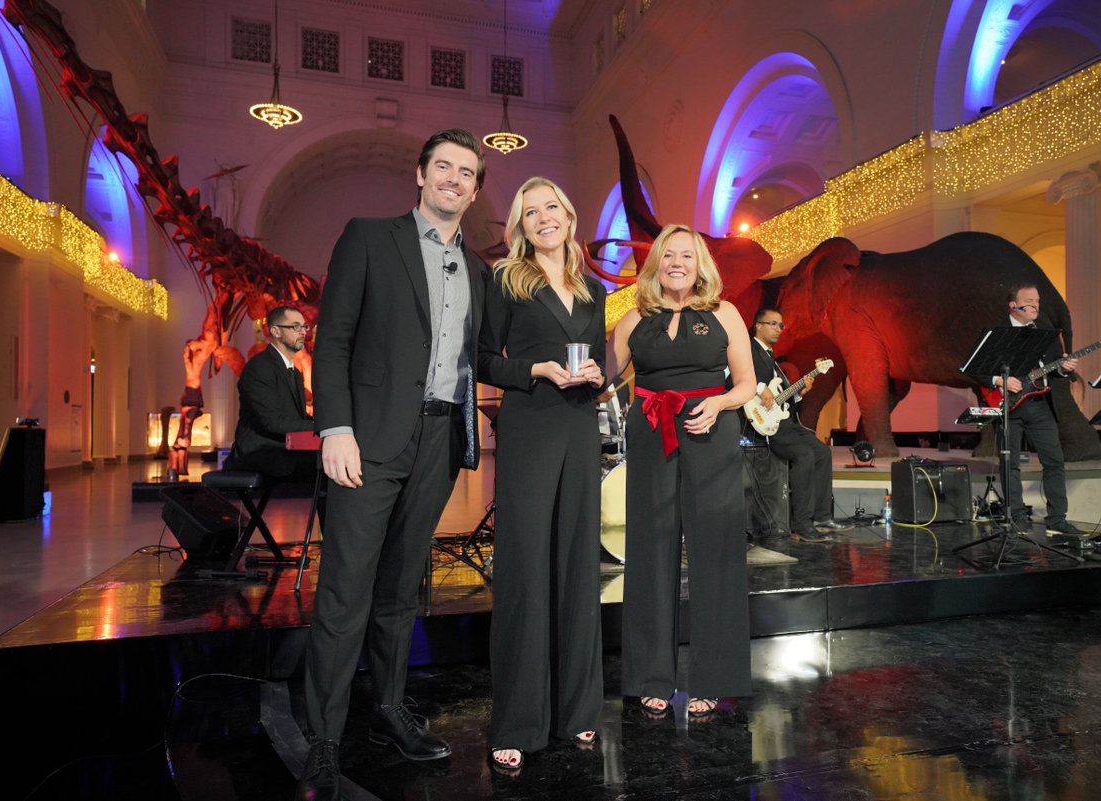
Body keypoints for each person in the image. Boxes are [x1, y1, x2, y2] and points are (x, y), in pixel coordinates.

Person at [297, 129, 488, 801]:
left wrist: (557, 367)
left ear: (475, 188)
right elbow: (334, 339)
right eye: (444, 166)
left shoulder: (481, 271)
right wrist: (336, 428)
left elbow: (486, 359)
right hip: (368, 441)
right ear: (420, 173)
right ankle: (323, 735)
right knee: (346, 588)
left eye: (467, 172)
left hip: (438, 443)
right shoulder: (369, 238)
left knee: (403, 587)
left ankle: (387, 710)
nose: (454, 179)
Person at [478, 177, 606, 775]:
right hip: (530, 428)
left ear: (568, 214)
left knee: (579, 564)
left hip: (581, 429)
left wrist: (597, 376)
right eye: (530, 213)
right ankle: (518, 720)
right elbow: (482, 359)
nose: (542, 218)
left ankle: (577, 710)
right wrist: (537, 370)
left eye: (550, 206)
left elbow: (598, 360)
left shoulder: (594, 288)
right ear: (520, 226)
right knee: (528, 567)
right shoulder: (506, 280)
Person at [611, 223, 757, 720]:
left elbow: (746, 385)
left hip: (711, 436)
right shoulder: (632, 320)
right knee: (650, 550)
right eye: (668, 255)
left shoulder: (725, 314)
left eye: (687, 256)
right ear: (655, 265)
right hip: (652, 433)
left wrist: (717, 405)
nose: (677, 263)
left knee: (715, 551)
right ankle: (651, 677)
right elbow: (609, 382)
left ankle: (715, 678)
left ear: (700, 266)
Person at [745, 308, 852, 543]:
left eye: (780, 325)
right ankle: (801, 525)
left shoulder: (772, 359)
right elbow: (736, 375)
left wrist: (800, 392)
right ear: (758, 326)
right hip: (763, 426)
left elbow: (781, 399)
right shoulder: (748, 351)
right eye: (773, 324)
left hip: (783, 422)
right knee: (803, 454)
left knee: (822, 452)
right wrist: (759, 388)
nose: (778, 329)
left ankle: (822, 517)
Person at [990, 282, 1083, 536]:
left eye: (1037, 301)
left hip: (1041, 405)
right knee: (1010, 464)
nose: (1035, 305)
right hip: (1010, 407)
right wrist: (999, 380)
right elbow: (975, 368)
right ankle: (1017, 517)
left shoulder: (1046, 331)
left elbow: (1054, 369)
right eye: (1029, 300)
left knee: (1055, 461)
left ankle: (1057, 519)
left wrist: (1063, 369)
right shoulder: (998, 331)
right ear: (1013, 305)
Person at [225, 305, 318, 481]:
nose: (303, 332)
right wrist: (322, 428)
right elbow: (273, 422)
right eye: (295, 326)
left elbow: (295, 418)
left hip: (283, 449)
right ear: (275, 331)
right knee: (333, 464)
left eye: (304, 327)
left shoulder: (295, 373)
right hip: (260, 453)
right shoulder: (259, 368)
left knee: (335, 459)